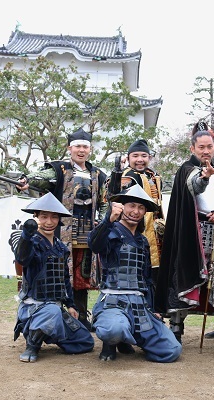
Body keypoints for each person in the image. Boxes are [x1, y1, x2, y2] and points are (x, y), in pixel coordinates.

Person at [155, 125, 214, 343]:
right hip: (190, 235)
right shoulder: (186, 170)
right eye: (201, 147)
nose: (206, 151)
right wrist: (204, 177)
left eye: (209, 147)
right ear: (192, 148)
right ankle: (176, 327)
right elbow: (194, 187)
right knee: (184, 278)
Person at [17, 127, 107, 329]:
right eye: (77, 147)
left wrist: (100, 220)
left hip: (86, 235)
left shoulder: (98, 174)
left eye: (85, 146)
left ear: (90, 150)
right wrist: (27, 182)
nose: (81, 150)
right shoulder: (59, 169)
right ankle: (53, 318)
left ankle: (81, 317)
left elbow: (104, 201)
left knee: (81, 278)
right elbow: (39, 178)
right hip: (59, 232)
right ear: (69, 148)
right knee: (57, 273)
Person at [88, 185, 182, 362]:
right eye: (131, 206)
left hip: (139, 303)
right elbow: (95, 245)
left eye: (141, 208)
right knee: (113, 329)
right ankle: (112, 341)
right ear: (122, 206)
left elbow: (146, 278)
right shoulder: (110, 231)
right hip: (113, 301)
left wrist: (151, 308)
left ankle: (129, 336)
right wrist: (107, 220)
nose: (136, 211)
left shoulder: (142, 240)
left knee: (171, 350)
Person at [13, 192, 95, 363]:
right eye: (44, 217)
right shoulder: (32, 242)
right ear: (36, 217)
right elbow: (22, 258)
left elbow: (64, 278)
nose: (49, 222)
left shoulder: (60, 247)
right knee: (51, 312)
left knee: (84, 341)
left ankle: (48, 332)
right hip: (35, 307)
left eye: (54, 217)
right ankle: (32, 343)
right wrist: (26, 234)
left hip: (55, 306)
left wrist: (70, 304)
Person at [104, 139, 165, 279]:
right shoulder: (126, 175)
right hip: (132, 233)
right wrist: (116, 173)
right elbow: (112, 196)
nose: (140, 160)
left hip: (156, 234)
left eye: (144, 156)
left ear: (149, 157)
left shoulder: (152, 176)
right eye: (135, 156)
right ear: (128, 157)